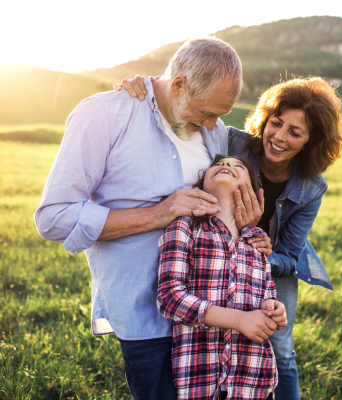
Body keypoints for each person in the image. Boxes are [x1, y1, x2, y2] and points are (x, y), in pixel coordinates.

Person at [34, 37, 271, 400]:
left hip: (212, 318)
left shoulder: (213, 129)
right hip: (147, 319)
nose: (213, 125)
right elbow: (54, 218)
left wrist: (250, 233)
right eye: (206, 113)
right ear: (178, 85)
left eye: (219, 115)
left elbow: (218, 210)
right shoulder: (104, 114)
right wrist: (158, 214)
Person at [118, 75, 342, 400]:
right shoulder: (234, 143)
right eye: (276, 123)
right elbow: (185, 114)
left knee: (280, 348)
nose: (279, 137)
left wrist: (262, 254)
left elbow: (290, 257)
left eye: (295, 133)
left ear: (312, 141)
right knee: (209, 325)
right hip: (214, 242)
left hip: (265, 259)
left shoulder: (311, 188)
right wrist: (145, 87)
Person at [158, 155, 287, 400]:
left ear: (250, 188)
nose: (226, 166)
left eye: (238, 166)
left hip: (253, 378)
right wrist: (239, 320)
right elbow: (169, 298)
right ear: (200, 184)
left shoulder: (257, 240)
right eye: (218, 165)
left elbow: (268, 295)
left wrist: (274, 309)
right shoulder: (184, 227)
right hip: (200, 376)